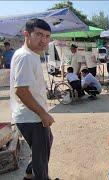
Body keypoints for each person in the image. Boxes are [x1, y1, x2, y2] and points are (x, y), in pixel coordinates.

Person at [10, 18, 54, 180]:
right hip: (32, 117)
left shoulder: (28, 54)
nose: (44, 40)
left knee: (45, 144)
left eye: (47, 36)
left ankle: (30, 175)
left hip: (29, 116)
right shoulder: (26, 57)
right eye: (39, 34)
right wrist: (43, 114)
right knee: (41, 159)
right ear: (26, 34)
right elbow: (21, 91)